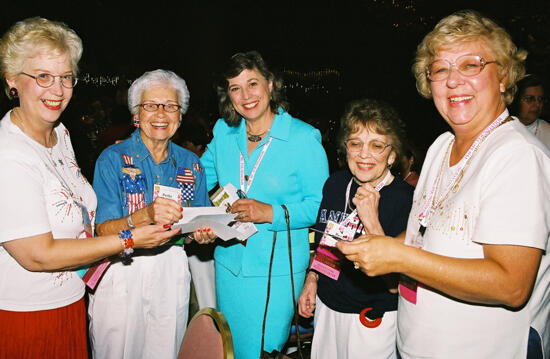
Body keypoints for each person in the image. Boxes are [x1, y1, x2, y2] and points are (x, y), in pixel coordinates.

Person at [337, 10, 550, 358]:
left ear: (503, 77)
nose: (453, 80)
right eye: (440, 69)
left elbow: (511, 284)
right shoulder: (441, 146)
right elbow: (420, 233)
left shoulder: (518, 156)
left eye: (471, 65)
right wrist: (381, 246)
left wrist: (400, 257)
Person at [0, 17, 179, 358]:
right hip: (26, 316)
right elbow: (38, 255)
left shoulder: (60, 135)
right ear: (12, 79)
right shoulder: (9, 153)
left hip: (69, 302)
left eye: (66, 77)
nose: (58, 90)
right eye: (43, 76)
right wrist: (129, 239)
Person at [201, 51, 329, 358]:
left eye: (253, 83)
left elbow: (319, 208)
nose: (245, 96)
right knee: (231, 350)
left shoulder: (303, 138)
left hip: (278, 272)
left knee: (264, 350)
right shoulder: (224, 132)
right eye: (235, 87)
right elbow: (197, 177)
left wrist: (268, 212)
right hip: (229, 265)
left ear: (271, 85)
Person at [88, 69, 214, 359]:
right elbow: (102, 230)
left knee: (165, 350)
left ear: (180, 116)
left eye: (170, 106)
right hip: (122, 268)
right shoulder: (112, 159)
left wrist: (202, 235)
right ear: (136, 114)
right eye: (150, 105)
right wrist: (144, 215)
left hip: (171, 269)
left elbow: (196, 227)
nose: (161, 113)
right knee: (115, 351)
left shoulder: (191, 164)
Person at [298, 99, 413, 359]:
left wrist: (371, 221)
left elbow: (396, 285)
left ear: (392, 154)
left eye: (376, 145)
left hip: (371, 320)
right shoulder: (336, 184)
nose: (364, 154)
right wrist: (312, 279)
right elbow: (325, 240)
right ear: (345, 148)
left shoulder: (406, 200)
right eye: (355, 143)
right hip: (328, 309)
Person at [511, 74, 550, 148]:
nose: (537, 104)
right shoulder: (504, 127)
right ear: (516, 100)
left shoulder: (547, 133)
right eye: (530, 99)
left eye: (540, 99)